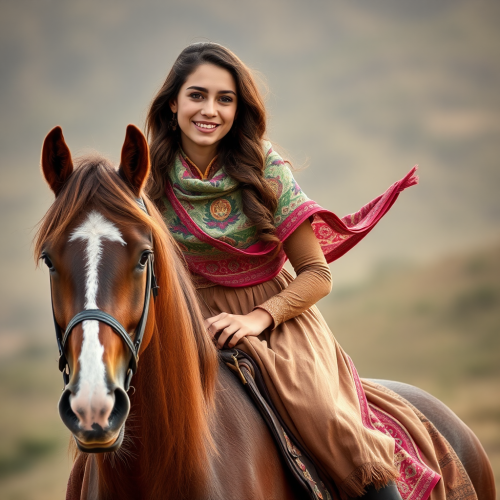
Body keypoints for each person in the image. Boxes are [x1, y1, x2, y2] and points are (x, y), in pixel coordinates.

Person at [144, 43, 459, 500]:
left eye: (224, 99)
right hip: (188, 324)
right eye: (197, 95)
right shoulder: (144, 175)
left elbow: (317, 274)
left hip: (277, 323)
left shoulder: (264, 166)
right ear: (173, 103)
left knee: (332, 426)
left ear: (238, 108)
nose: (209, 110)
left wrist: (256, 319)